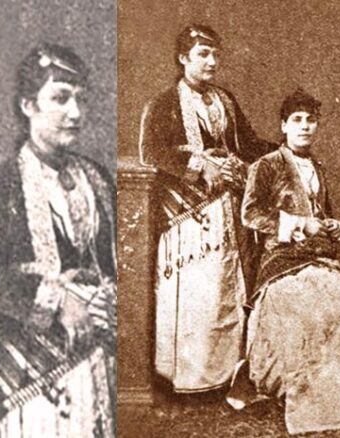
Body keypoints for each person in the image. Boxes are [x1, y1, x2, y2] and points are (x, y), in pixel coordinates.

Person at [0, 43, 116, 437]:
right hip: (30, 373)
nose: (75, 113)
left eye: (81, 99)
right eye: (60, 98)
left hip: (97, 357)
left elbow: (112, 262)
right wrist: (57, 300)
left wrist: (107, 296)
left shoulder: (97, 179)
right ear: (28, 105)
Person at [226, 89, 340, 435]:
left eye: (311, 120)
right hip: (281, 258)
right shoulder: (266, 164)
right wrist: (300, 224)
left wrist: (331, 225)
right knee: (305, 302)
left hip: (318, 255)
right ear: (283, 126)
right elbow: (250, 214)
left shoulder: (317, 166)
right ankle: (312, 403)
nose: (305, 127)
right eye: (297, 120)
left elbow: (323, 215)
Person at [138, 24, 275, 392]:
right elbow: (151, 152)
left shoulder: (225, 100)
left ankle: (225, 376)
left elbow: (248, 143)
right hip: (187, 215)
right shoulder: (164, 104)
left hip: (227, 209)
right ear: (183, 58)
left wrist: (282, 150)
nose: (212, 61)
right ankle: (190, 379)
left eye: (215, 54)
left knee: (225, 291)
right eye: (203, 54)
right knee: (198, 294)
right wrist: (200, 166)